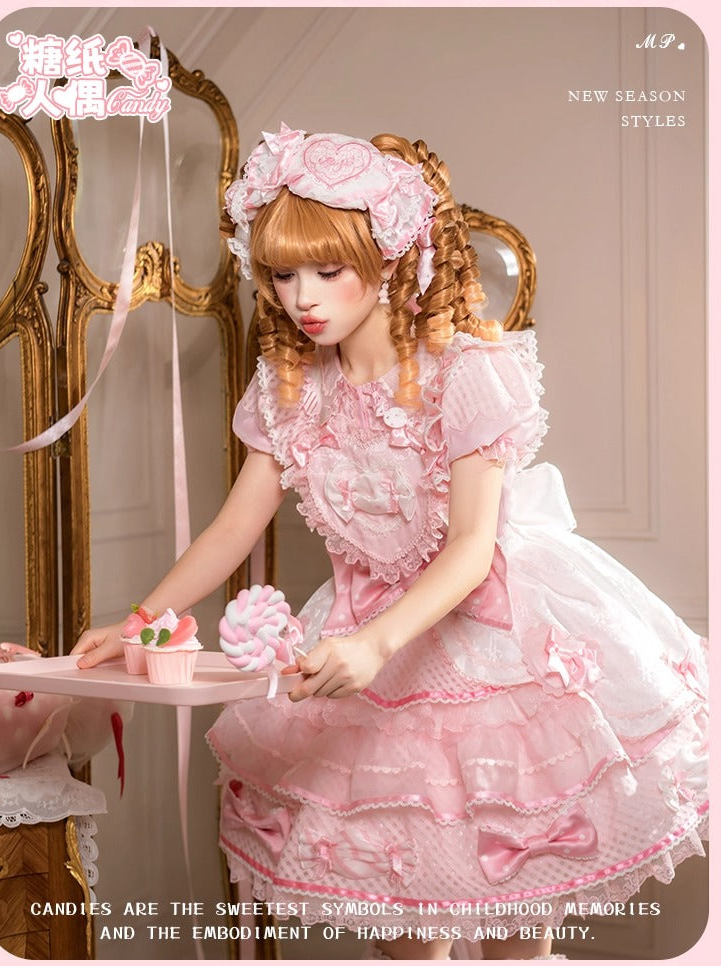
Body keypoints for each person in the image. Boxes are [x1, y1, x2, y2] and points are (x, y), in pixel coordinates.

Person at [73, 124, 709, 961]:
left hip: (490, 638)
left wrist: (376, 643)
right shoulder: (291, 387)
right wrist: (141, 621)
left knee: (516, 925)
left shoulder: (464, 370)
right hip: (363, 639)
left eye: (327, 270)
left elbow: (472, 547)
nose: (302, 297)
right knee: (404, 935)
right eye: (282, 273)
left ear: (389, 255)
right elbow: (234, 524)